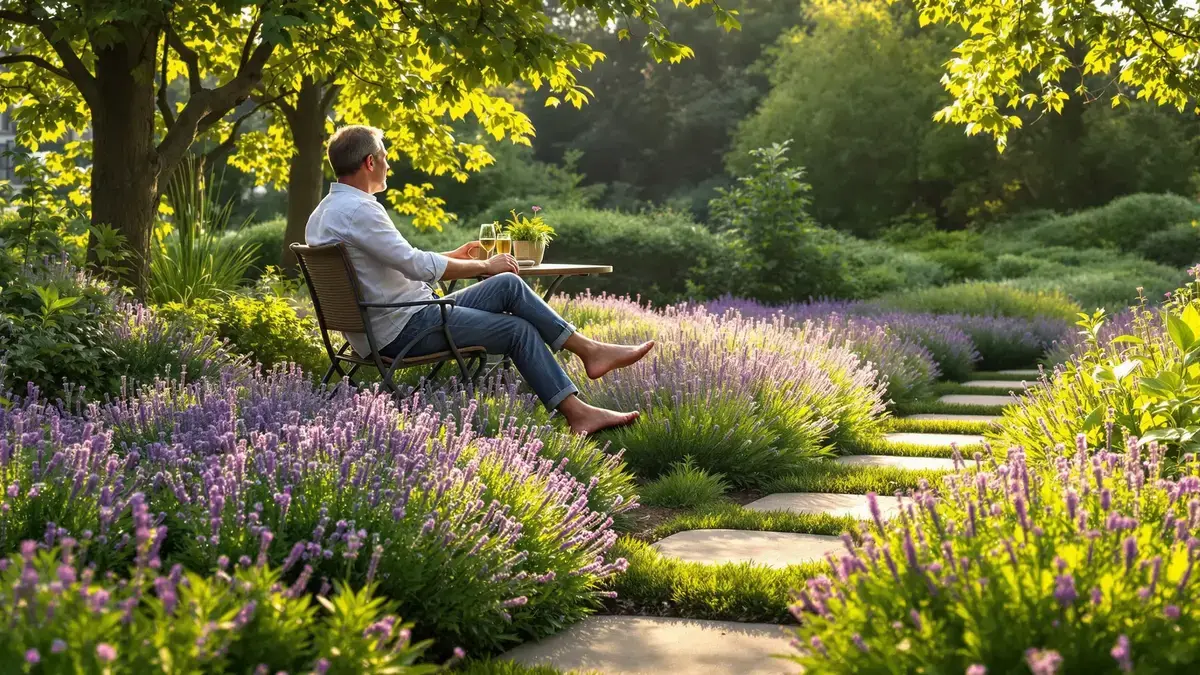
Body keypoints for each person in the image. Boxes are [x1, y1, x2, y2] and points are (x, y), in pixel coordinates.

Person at [304, 125, 654, 435]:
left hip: (386, 323)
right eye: (386, 158)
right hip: (404, 327)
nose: (388, 165)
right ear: (370, 162)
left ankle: (590, 351)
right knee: (518, 330)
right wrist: (485, 265)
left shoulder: (324, 213)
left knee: (509, 285)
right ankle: (578, 412)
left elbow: (389, 260)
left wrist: (453, 256)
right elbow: (412, 264)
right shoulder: (361, 210)